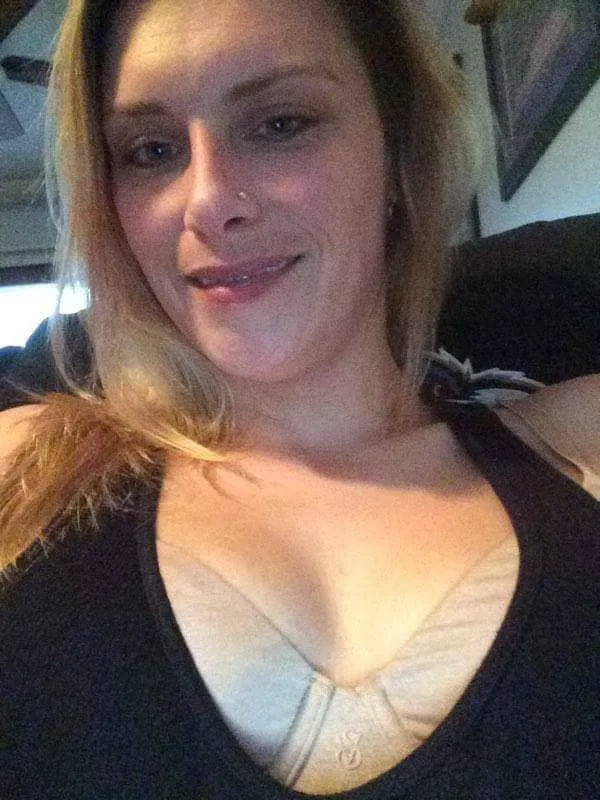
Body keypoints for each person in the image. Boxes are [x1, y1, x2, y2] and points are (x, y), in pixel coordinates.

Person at [0, 0, 598, 796]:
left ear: (398, 150)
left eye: (279, 124)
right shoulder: (25, 471)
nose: (207, 201)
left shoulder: (576, 446)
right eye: (150, 151)